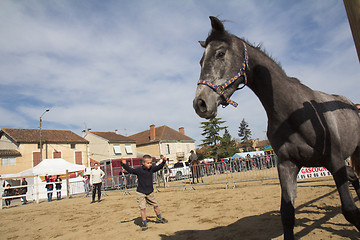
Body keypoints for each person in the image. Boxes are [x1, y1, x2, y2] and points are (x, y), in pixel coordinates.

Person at [121, 154, 168, 231]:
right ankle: (144, 222)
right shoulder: (139, 170)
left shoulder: (152, 169)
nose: (149, 164)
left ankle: (159, 218)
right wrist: (124, 164)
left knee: (156, 205)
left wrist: (164, 161)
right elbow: (131, 170)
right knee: (143, 208)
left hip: (150, 192)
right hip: (141, 193)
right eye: (148, 163)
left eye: (150, 163)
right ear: (143, 163)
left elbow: (159, 167)